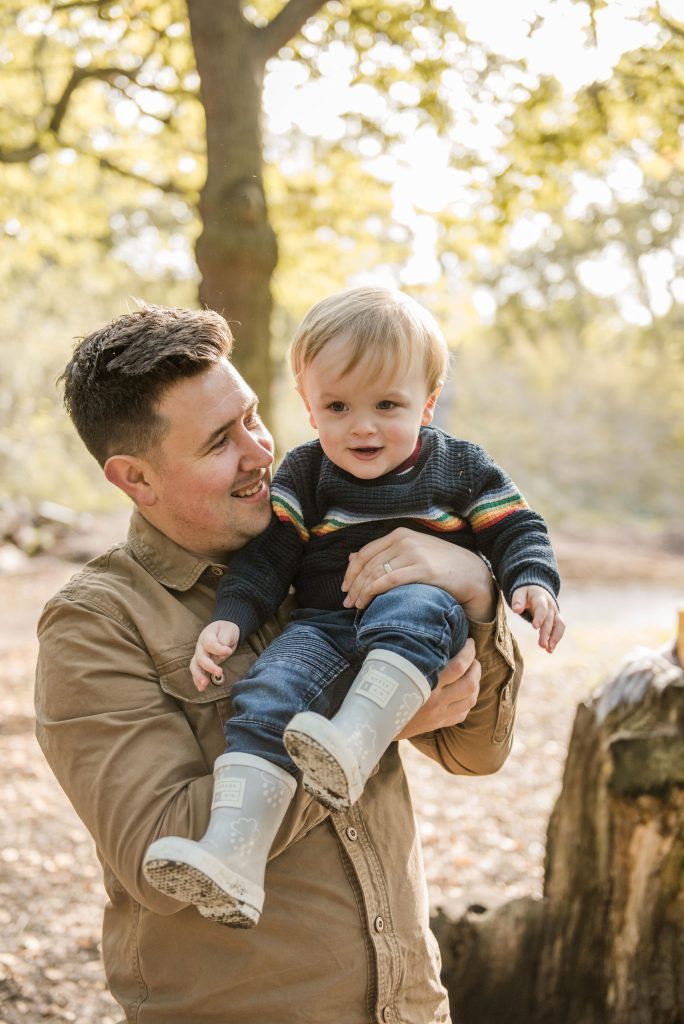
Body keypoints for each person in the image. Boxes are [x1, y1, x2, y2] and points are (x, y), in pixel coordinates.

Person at [36, 302, 524, 1024]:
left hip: (411, 1005)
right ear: (136, 478)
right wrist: (367, 731)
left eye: (253, 417)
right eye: (219, 443)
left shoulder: (327, 549)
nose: (260, 451)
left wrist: (476, 589)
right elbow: (162, 861)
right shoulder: (95, 626)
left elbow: (476, 749)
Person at [143, 287, 564, 929]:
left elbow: (515, 527)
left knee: (416, 601)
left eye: (387, 405)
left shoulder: (458, 468)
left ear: (426, 404)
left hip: (420, 622)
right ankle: (232, 857)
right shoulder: (305, 476)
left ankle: (356, 740)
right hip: (326, 625)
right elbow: (269, 558)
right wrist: (231, 616)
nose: (362, 426)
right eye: (337, 406)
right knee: (268, 689)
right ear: (310, 409)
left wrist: (529, 580)